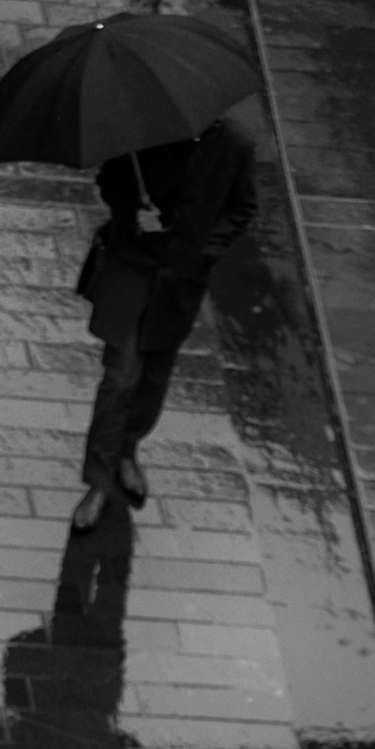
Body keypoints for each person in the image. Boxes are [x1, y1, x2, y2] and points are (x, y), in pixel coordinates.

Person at [71, 114, 257, 531]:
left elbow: (242, 208)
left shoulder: (235, 145)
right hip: (132, 268)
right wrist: (132, 216)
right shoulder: (141, 135)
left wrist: (202, 251)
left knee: (153, 378)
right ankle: (98, 482)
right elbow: (111, 182)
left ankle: (126, 448)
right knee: (120, 377)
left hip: (179, 283)